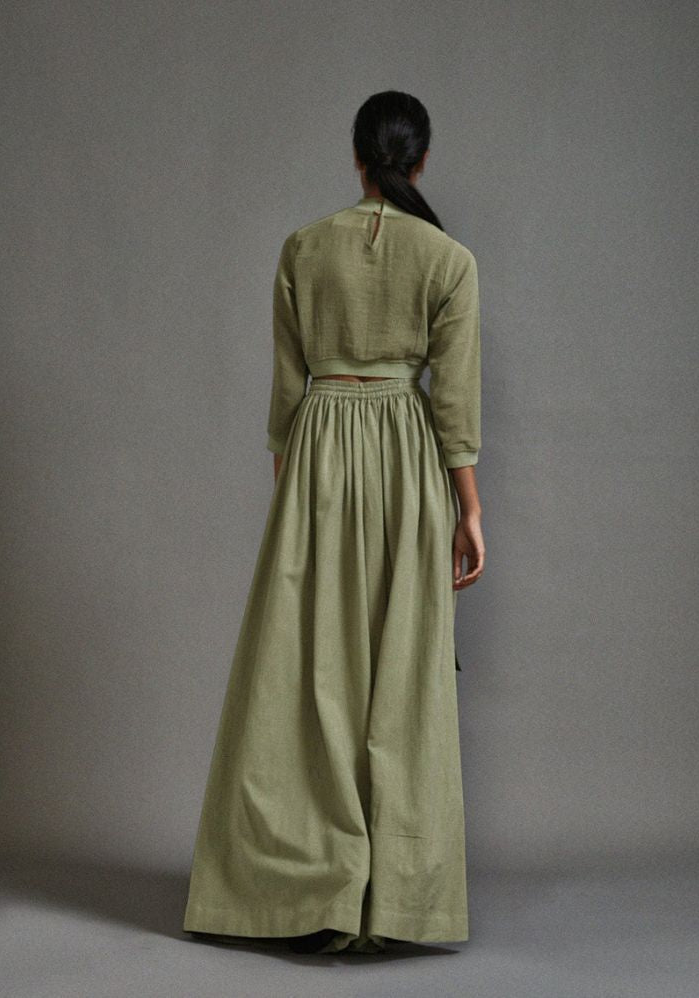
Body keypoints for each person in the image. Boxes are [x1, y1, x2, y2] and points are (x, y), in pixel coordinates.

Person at [182, 90, 485, 956]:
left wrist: (295, 492)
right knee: (402, 672)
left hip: (318, 454)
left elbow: (287, 396)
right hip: (405, 462)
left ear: (357, 158)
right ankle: (396, 899)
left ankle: (305, 888)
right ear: (420, 160)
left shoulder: (303, 247)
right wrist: (469, 510)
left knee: (307, 671)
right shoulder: (450, 260)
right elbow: (454, 407)